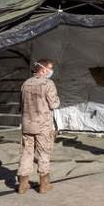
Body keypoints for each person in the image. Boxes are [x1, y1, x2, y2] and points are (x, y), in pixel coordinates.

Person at [17, 58, 61, 194]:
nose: (51, 71)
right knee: (44, 153)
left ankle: (23, 184)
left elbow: (21, 105)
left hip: (27, 124)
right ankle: (44, 184)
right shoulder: (48, 83)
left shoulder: (25, 83)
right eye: (50, 68)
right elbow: (54, 104)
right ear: (43, 69)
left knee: (26, 152)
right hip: (43, 125)